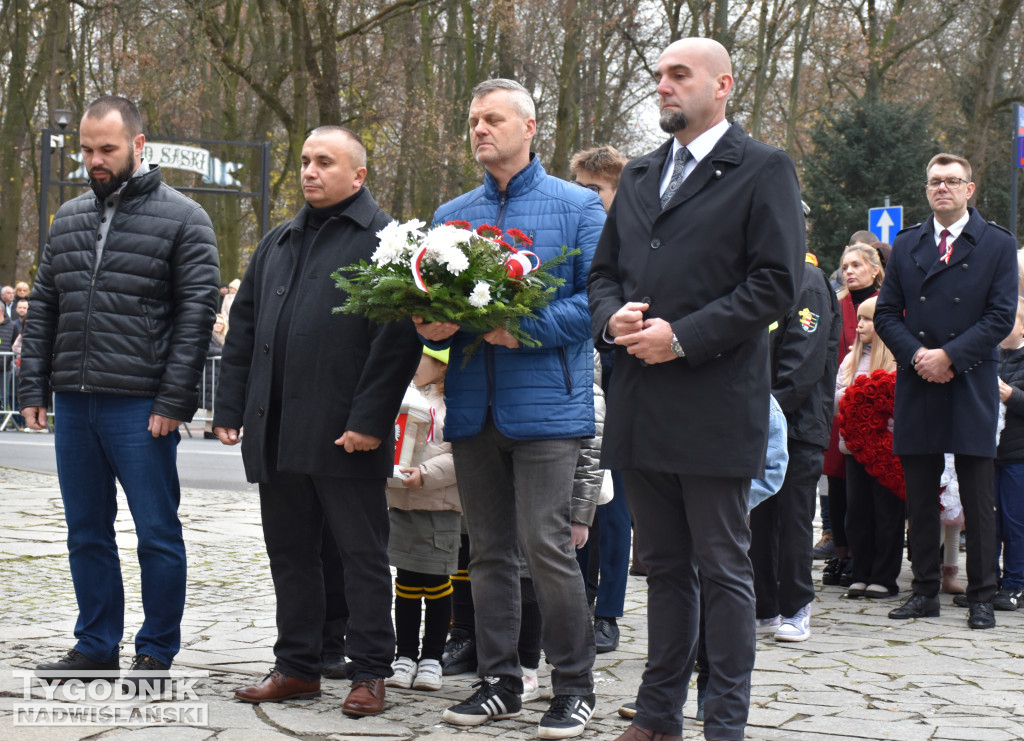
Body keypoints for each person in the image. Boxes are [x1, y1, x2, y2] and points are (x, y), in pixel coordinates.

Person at [588, 38, 803, 741]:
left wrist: (682, 336)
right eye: (658, 76)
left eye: (679, 75)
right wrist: (610, 316)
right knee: (666, 569)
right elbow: (604, 273)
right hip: (642, 404)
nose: (664, 87)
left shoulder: (763, 168)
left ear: (724, 85)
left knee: (722, 568)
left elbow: (776, 284)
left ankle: (724, 722)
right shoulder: (643, 173)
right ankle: (656, 716)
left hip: (715, 404)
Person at [416, 78, 604, 740]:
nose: (479, 129)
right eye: (472, 120)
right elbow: (433, 304)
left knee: (546, 546)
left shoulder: (579, 207)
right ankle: (500, 679)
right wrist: (430, 326)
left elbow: (597, 305)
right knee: (488, 549)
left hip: (548, 407)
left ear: (530, 128)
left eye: (493, 118)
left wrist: (521, 328)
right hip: (473, 404)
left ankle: (575, 686)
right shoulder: (450, 213)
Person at [213, 125, 421, 715]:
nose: (309, 171)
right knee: (291, 553)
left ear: (358, 175)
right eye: (305, 160)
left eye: (324, 161)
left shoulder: (389, 242)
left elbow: (396, 341)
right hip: (278, 431)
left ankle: (371, 672)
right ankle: (298, 667)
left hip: (347, 434)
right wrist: (230, 407)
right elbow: (245, 330)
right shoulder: (278, 241)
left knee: (360, 556)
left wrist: (370, 420)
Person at [21, 95, 219, 685]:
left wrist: (173, 401)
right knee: (85, 529)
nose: (94, 160)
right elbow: (45, 307)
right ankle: (94, 643)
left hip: (141, 405)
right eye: (85, 149)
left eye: (106, 148)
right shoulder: (69, 216)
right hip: (75, 402)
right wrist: (34, 384)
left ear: (139, 145)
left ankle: (156, 649)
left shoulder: (186, 218)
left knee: (157, 531)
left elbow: (195, 317)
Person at [874, 153, 1018, 630]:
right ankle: (924, 591)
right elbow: (888, 313)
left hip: (972, 377)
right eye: (935, 181)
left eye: (952, 181)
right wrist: (919, 357)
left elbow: (999, 316)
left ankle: (981, 594)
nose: (943, 189)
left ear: (970, 189)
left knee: (978, 495)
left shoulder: (996, 243)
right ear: (927, 189)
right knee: (919, 493)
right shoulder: (907, 242)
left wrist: (949, 357)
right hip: (918, 378)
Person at [750, 249, 840, 642]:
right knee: (760, 518)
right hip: (757, 421)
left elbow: (803, 358)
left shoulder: (806, 279)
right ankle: (765, 607)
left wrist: (766, 411)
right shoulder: (764, 273)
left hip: (797, 424)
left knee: (794, 519)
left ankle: (797, 606)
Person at [570, 146, 631, 653]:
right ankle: (576, 601)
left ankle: (608, 611)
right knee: (576, 502)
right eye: (580, 187)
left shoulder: (634, 243)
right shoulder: (573, 239)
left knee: (613, 505)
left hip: (620, 381)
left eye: (596, 190)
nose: (585, 198)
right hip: (574, 380)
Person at [385, 347, 461, 693]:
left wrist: (427, 474)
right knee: (405, 583)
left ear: (442, 366)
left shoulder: (455, 403)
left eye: (420, 359)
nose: (412, 365)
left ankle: (431, 658)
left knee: (437, 583)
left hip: (439, 506)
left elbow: (460, 454)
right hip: (402, 503)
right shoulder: (400, 394)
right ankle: (404, 655)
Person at [821, 242, 885, 588]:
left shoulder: (890, 304)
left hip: (877, 406)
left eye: (857, 265)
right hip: (841, 406)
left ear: (875, 269)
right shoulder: (837, 303)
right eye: (845, 265)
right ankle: (842, 552)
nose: (849, 271)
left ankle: (870, 555)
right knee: (838, 480)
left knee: (871, 486)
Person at [834, 297, 904, 598]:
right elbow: (838, 396)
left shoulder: (896, 359)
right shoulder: (851, 360)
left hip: (887, 451)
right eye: (859, 319)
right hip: (855, 449)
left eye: (867, 320)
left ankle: (884, 576)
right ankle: (861, 571)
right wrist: (857, 396)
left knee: (887, 513)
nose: (859, 325)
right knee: (858, 512)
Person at [992, 298, 1024, 610]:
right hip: (992, 455)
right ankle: (989, 582)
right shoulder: (992, 357)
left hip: (1018, 457)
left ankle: (1015, 583)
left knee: (1015, 523)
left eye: (1010, 319)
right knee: (992, 523)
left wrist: (1011, 394)